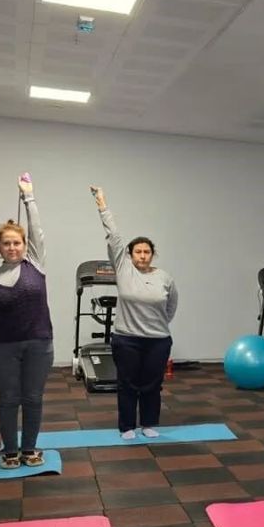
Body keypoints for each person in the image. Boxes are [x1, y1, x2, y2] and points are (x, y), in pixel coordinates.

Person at [90, 186, 178, 440]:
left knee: (152, 384)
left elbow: (171, 306)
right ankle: (127, 426)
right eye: (138, 251)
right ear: (129, 255)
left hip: (158, 340)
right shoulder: (123, 269)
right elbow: (114, 236)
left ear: (153, 254)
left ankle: (149, 423)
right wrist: (102, 204)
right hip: (126, 339)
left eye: (146, 252)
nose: (142, 255)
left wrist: (156, 325)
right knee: (127, 384)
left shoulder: (165, 278)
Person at [0, 174, 53, 468]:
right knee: (8, 399)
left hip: (39, 344)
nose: (12, 247)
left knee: (33, 398)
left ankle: (29, 449)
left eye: (16, 242)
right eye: (6, 243)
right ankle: (10, 451)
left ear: (25, 245)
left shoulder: (35, 265)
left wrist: (29, 196)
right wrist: (1, 337)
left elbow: (36, 229)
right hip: (4, 347)